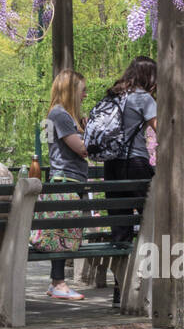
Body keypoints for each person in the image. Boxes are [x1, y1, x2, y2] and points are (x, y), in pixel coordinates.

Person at [87, 57, 157, 295]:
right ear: (149, 76)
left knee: (120, 227)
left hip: (112, 166)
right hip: (136, 163)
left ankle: (121, 289)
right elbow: (162, 129)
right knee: (154, 220)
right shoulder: (144, 98)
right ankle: (149, 285)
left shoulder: (114, 96)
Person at [35, 68, 90, 301]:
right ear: (70, 90)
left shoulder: (59, 115)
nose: (85, 95)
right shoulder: (60, 115)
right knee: (60, 234)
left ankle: (56, 282)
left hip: (70, 179)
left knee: (64, 232)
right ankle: (58, 283)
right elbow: (82, 148)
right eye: (82, 90)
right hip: (66, 180)